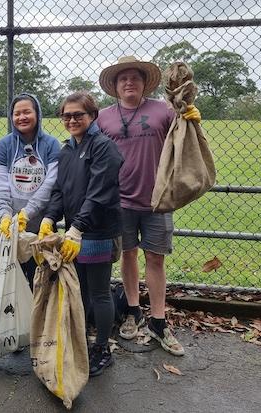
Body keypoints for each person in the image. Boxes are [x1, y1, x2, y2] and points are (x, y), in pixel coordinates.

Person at [97, 55, 200, 356]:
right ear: (115, 86)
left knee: (155, 260)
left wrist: (190, 114)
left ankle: (158, 321)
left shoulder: (163, 110)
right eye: (123, 78)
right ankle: (132, 311)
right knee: (128, 255)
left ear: (144, 83)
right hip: (120, 201)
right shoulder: (103, 117)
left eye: (135, 78)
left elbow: (184, 132)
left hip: (158, 200)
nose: (129, 82)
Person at [40, 91, 123, 376]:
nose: (72, 120)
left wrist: (77, 228)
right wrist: (50, 218)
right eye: (67, 115)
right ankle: (82, 341)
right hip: (76, 232)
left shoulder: (104, 148)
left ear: (92, 116)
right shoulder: (67, 150)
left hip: (98, 232)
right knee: (81, 290)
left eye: (79, 115)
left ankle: (102, 348)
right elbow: (61, 191)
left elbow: (98, 193)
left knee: (99, 292)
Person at [0, 93, 60, 286]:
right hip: (10, 226)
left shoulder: (51, 145)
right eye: (17, 113)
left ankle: (39, 315)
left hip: (42, 224)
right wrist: (4, 215)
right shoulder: (3, 146)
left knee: (41, 278)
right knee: (15, 280)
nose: (22, 117)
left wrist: (27, 214)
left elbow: (50, 184)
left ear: (37, 114)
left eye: (27, 112)